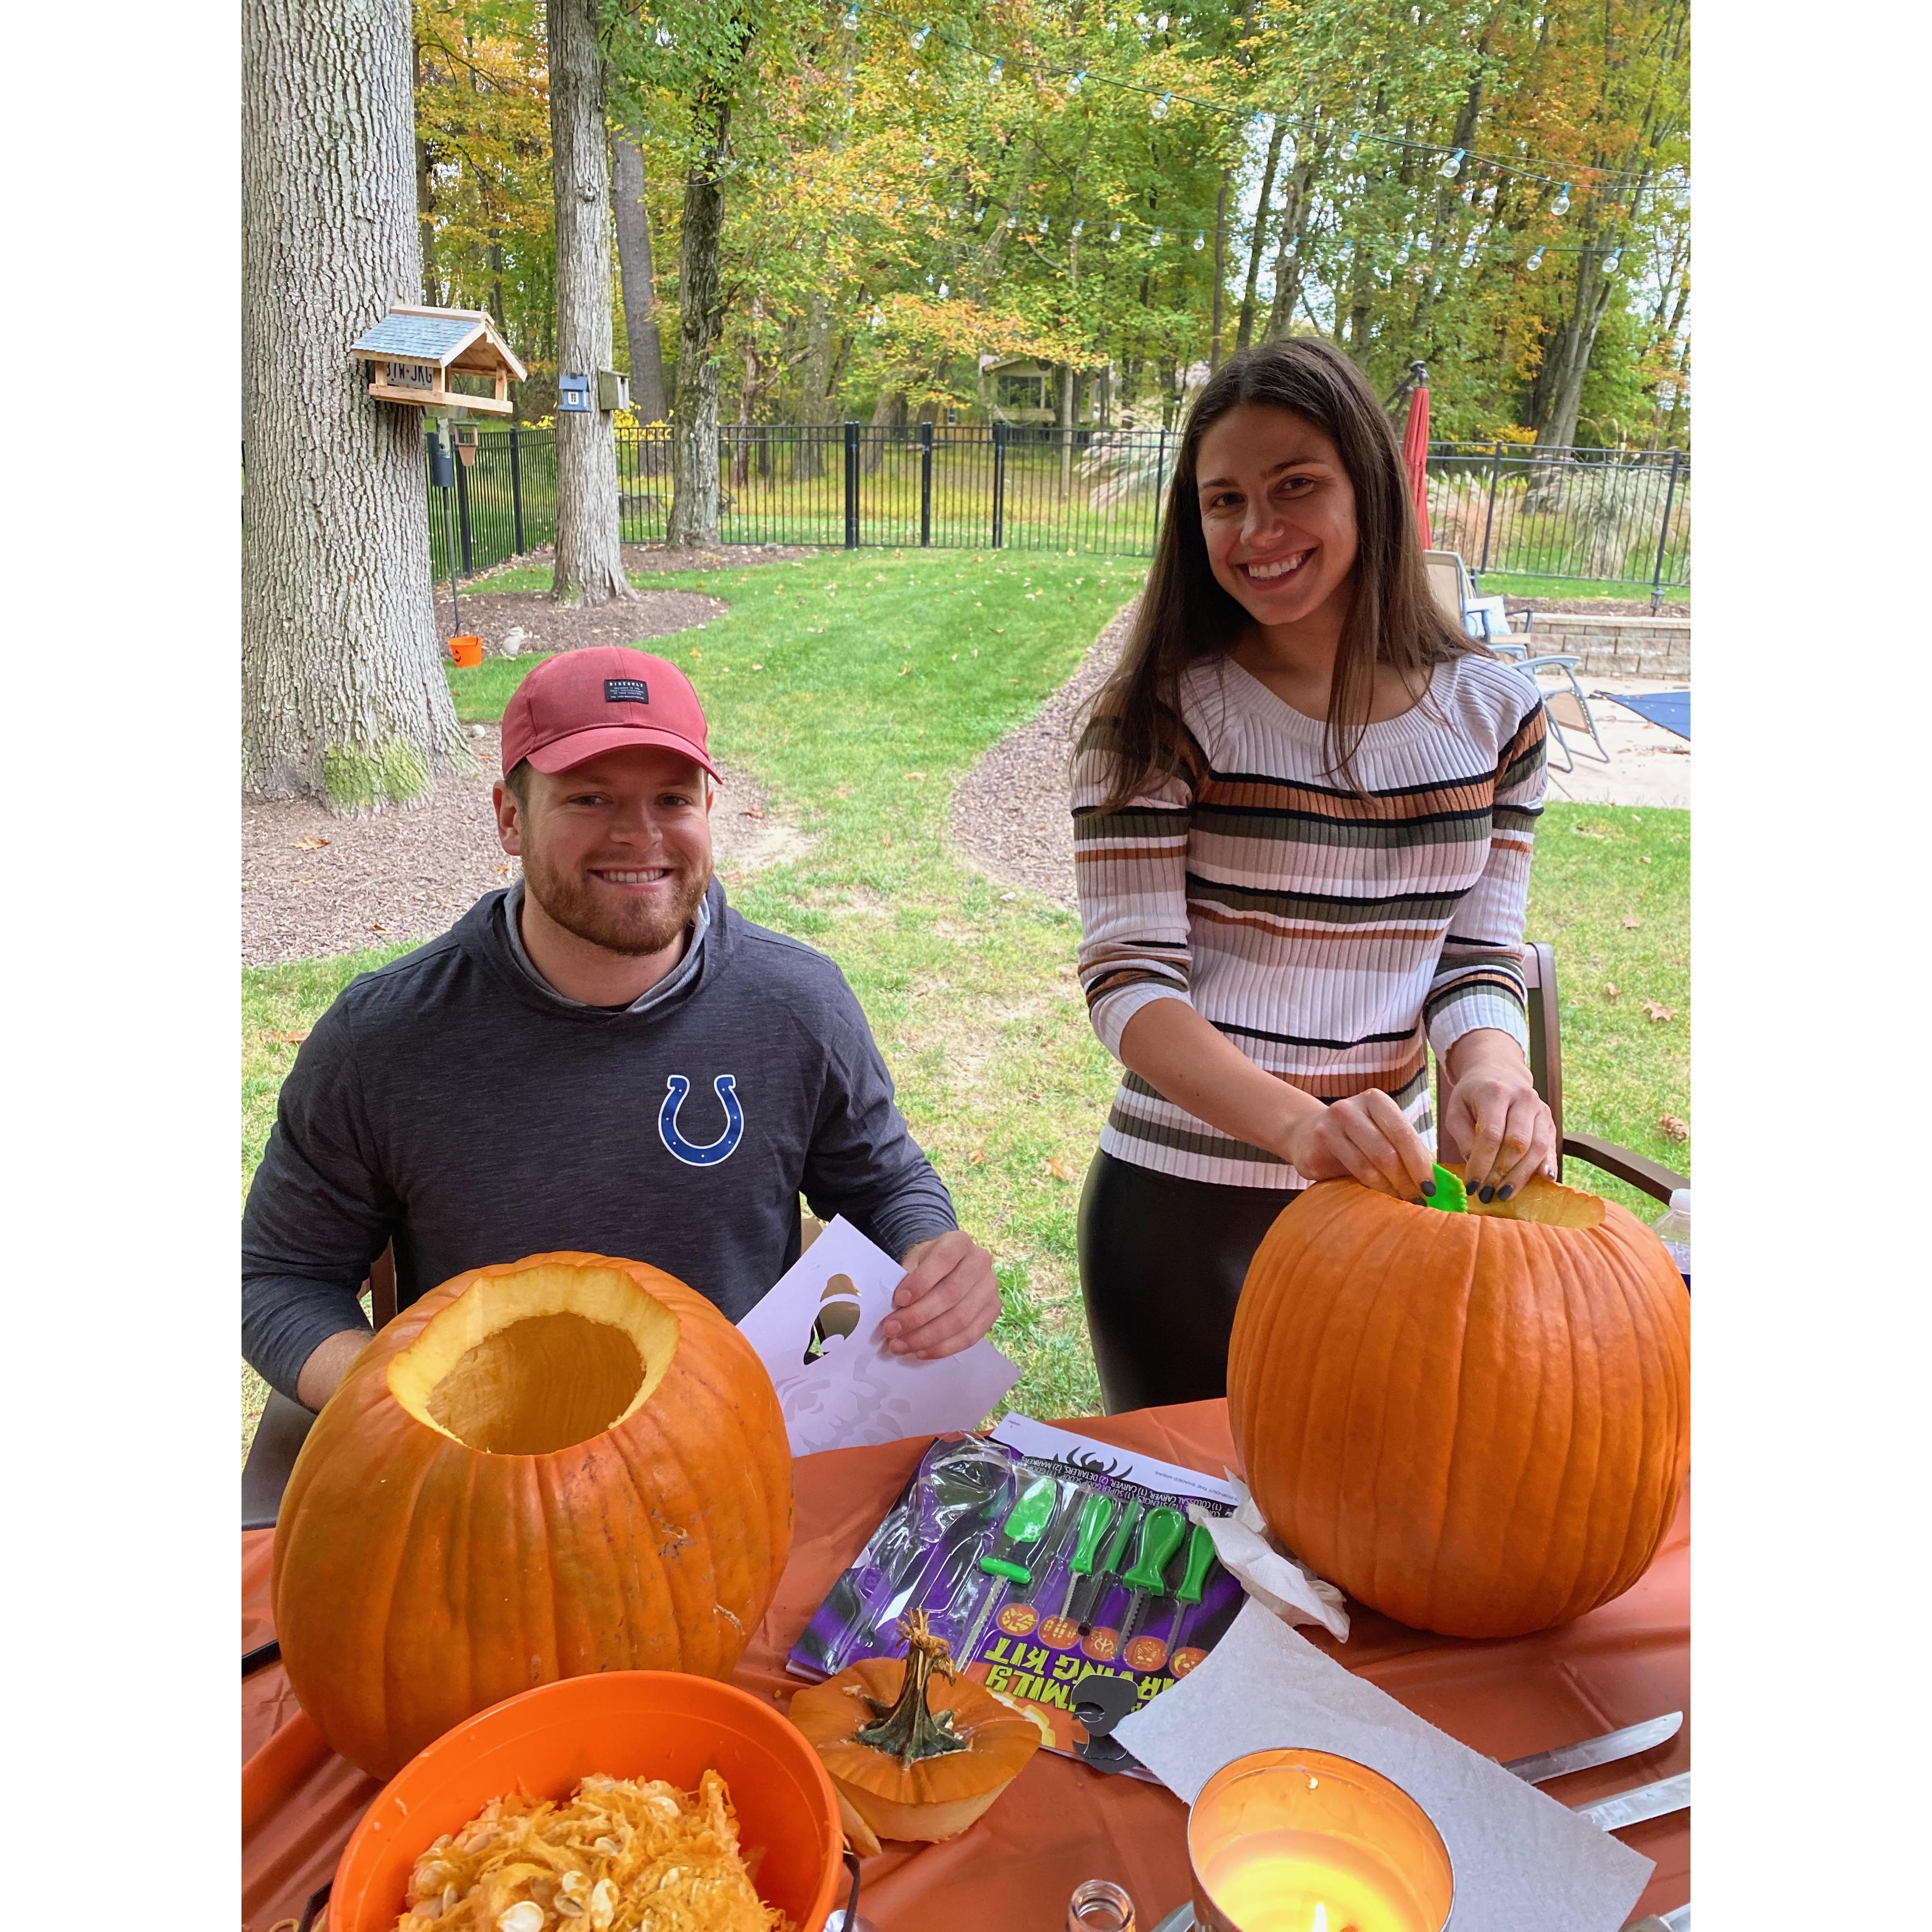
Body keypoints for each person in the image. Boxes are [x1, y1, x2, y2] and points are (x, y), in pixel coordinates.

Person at [243, 645, 999, 1412]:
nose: (641, 837)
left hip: (741, 1441)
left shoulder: (797, 1002)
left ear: (708, 810)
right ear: (511, 817)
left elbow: (885, 1184)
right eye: (590, 799)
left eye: (672, 799)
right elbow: (275, 1277)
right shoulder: (384, 1039)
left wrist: (931, 1252)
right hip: (495, 1466)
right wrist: (400, 1404)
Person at [1070, 338, 1553, 1413]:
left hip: (1402, 1209)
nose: (1257, 532)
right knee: (1193, 1560)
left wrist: (1492, 1072)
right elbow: (1129, 987)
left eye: (1297, 487)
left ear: (1369, 492)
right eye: (1223, 500)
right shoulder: (1152, 719)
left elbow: (1477, 956)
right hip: (1182, 1215)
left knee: (1383, 1535)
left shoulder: (1496, 713)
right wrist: (1299, 1126)